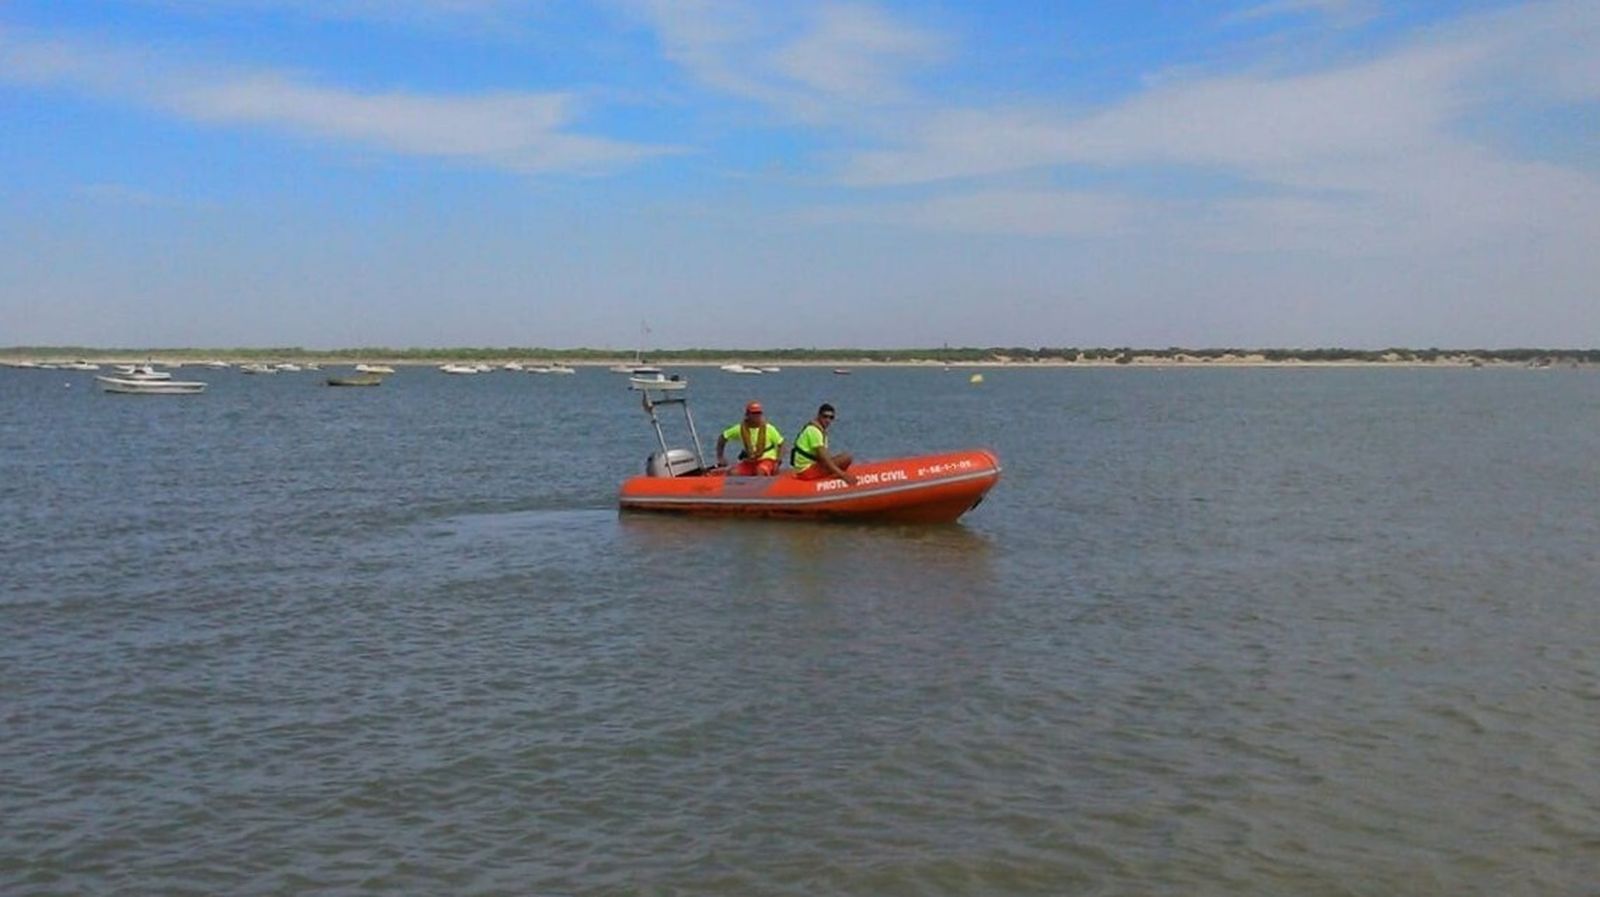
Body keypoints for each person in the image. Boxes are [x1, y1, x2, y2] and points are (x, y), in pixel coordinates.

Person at [790, 403, 854, 484]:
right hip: (806, 472)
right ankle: (833, 476)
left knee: (841, 458)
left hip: (803, 469)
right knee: (847, 458)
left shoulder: (818, 430)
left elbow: (824, 456)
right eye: (825, 416)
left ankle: (831, 474)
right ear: (819, 416)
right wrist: (843, 475)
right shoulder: (814, 431)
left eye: (831, 417)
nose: (828, 420)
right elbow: (824, 458)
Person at [716, 400, 784, 476]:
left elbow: (781, 444)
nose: (757, 416)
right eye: (754, 413)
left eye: (759, 413)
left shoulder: (769, 429)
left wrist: (778, 462)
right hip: (749, 461)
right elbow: (723, 437)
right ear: (747, 415)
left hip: (766, 459)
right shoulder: (740, 429)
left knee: (760, 471)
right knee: (733, 473)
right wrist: (720, 457)